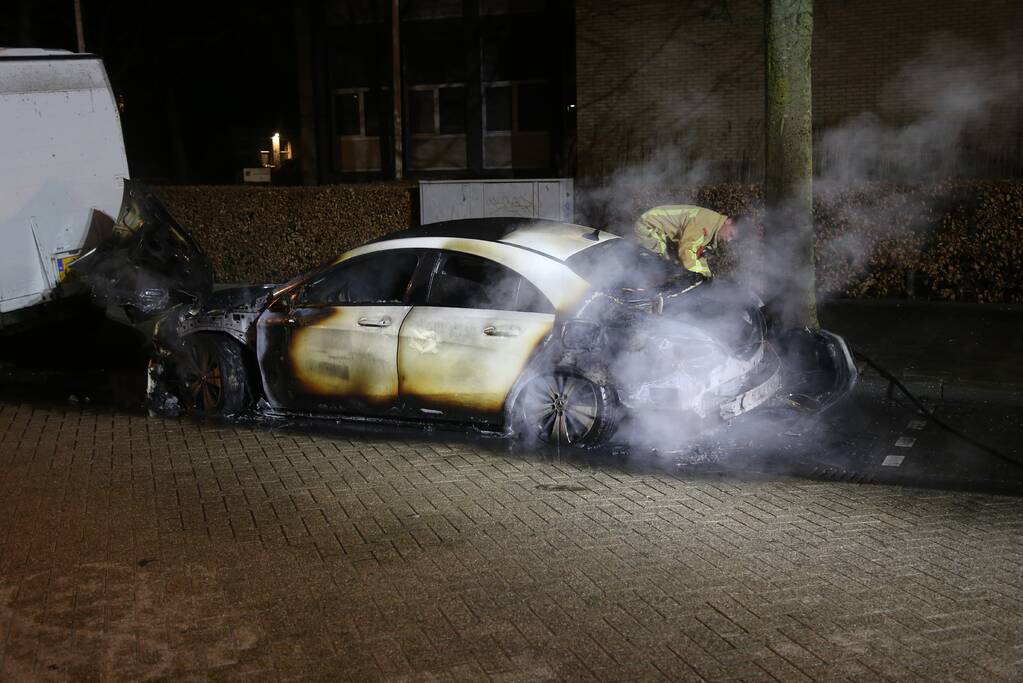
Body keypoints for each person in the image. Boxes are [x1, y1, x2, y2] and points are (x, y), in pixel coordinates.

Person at [633, 205, 739, 278]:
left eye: (732, 239)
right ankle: (638, 298)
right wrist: (701, 275)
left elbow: (696, 256)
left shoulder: (713, 229)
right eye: (731, 234)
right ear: (728, 221)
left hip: (661, 232)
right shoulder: (705, 223)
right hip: (649, 226)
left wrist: (707, 275)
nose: (729, 240)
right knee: (657, 267)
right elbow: (686, 251)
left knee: (671, 268)